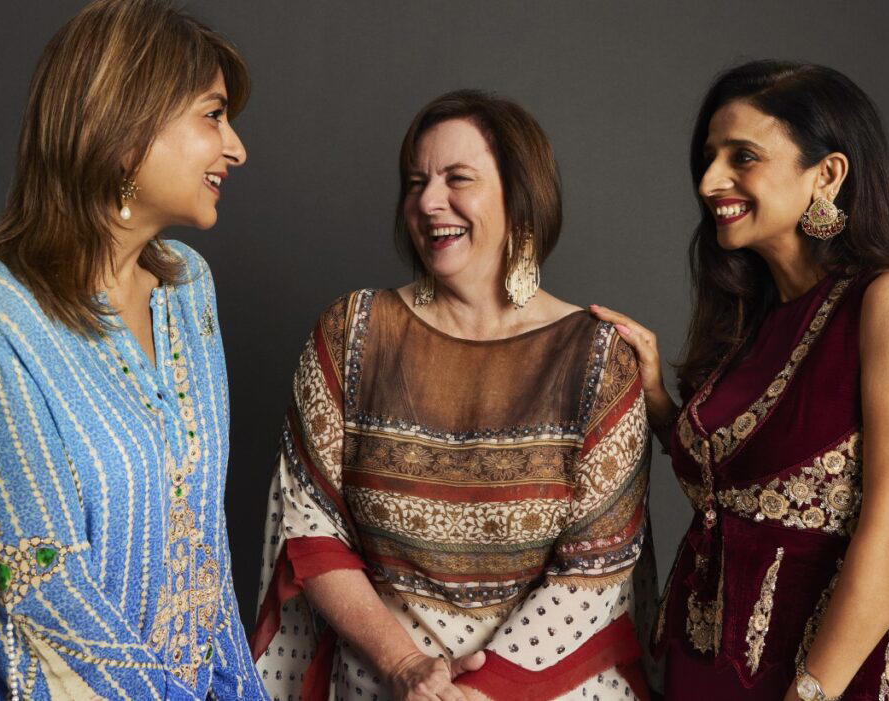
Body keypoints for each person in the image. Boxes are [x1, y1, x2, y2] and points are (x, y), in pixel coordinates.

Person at [251, 90, 657, 700]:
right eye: (416, 182)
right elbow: (308, 530)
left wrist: (479, 691)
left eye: (457, 178)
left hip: (550, 688)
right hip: (383, 683)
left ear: (520, 196)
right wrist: (405, 668)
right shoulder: (351, 333)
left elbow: (596, 570)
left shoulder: (597, 359)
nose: (428, 202)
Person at [0, 1, 268, 698]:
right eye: (212, 115)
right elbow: (36, 585)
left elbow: (201, 546)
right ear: (126, 130)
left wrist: (241, 689)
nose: (235, 147)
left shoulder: (188, 291)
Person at [592, 60, 889, 700]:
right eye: (708, 157)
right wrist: (656, 402)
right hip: (704, 663)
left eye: (743, 157)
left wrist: (811, 691)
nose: (709, 181)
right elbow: (734, 490)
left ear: (828, 174)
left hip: (824, 672)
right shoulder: (751, 320)